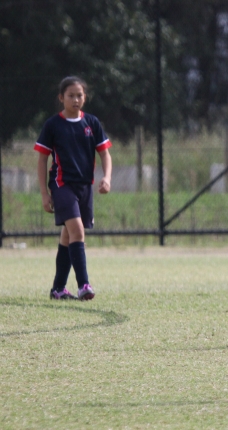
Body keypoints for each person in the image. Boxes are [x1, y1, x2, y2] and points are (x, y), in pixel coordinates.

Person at [35, 76, 112, 301]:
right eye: (71, 95)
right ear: (61, 98)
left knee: (68, 236)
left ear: (85, 97)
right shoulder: (53, 125)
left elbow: (105, 154)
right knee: (77, 231)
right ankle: (83, 285)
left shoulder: (92, 123)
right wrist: (44, 193)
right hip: (62, 185)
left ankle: (58, 288)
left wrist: (106, 178)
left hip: (84, 187)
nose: (76, 99)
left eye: (80, 95)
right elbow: (41, 160)